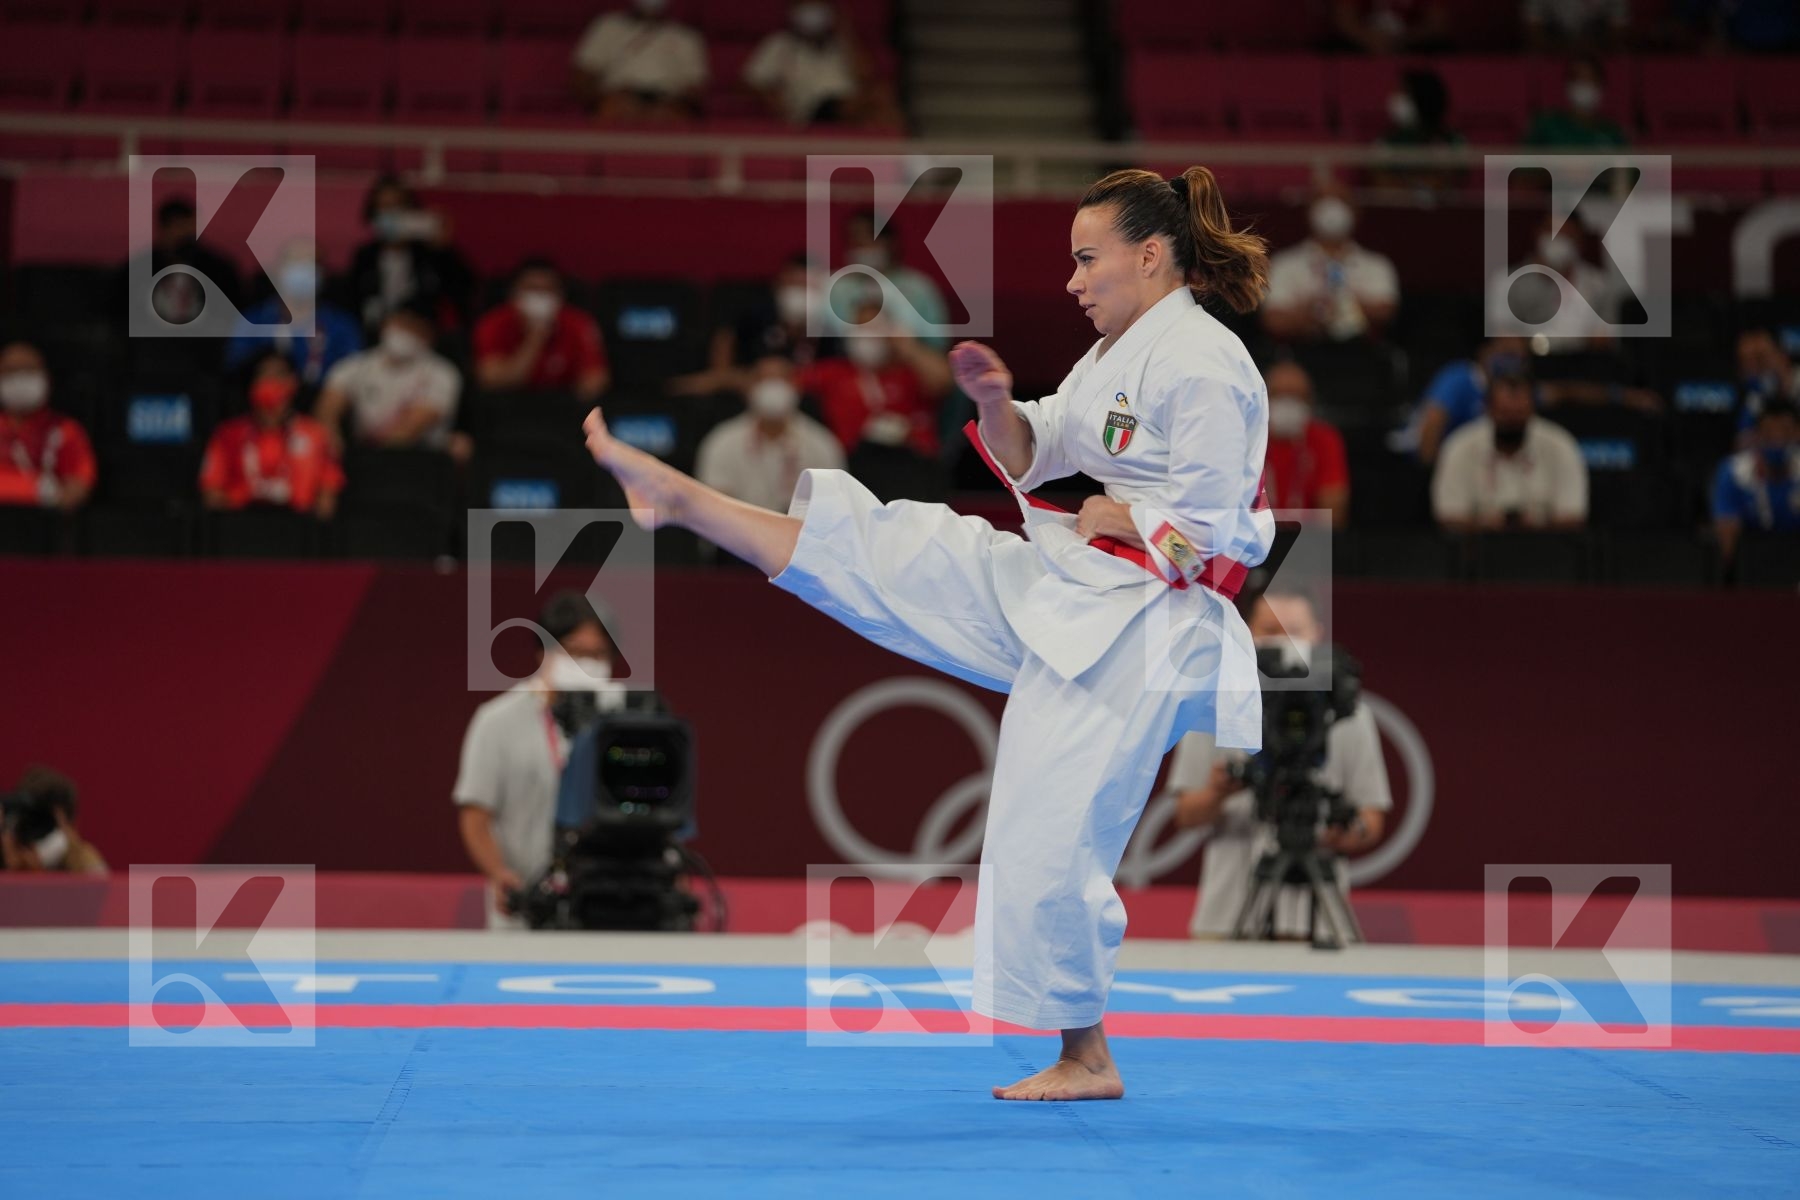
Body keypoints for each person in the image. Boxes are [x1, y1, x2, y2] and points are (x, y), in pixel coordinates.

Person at [582, 164, 1275, 1101]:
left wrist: (1125, 522)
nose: (1071, 282)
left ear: (1150, 256)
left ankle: (1087, 1056)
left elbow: (1221, 531)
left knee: (1046, 844)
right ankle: (685, 500)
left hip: (1144, 626)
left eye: (1086, 259)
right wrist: (995, 405)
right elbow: (1042, 446)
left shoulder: (1204, 360)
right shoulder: (1117, 350)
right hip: (1075, 583)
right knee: (898, 550)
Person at [1167, 592, 1390, 939]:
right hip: (1226, 919)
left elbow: (1372, 819)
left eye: (1293, 631)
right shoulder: (1214, 706)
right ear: (1246, 633)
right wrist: (1216, 793)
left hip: (1318, 926)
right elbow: (1185, 815)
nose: (1282, 644)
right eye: (1269, 630)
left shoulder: (1350, 715)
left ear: (1317, 635)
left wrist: (1342, 832)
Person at [453, 590, 621, 930]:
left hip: (609, 910)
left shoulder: (624, 717)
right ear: (544, 652)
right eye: (575, 652)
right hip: (527, 910)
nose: (588, 663)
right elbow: (475, 815)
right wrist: (498, 873)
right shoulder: (497, 720)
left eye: (598, 654)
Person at [1432, 362, 1588, 532]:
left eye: (1519, 413)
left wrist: (1533, 529)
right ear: (1488, 408)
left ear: (1532, 409)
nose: (1512, 421)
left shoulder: (1560, 445)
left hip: (1546, 551)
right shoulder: (1460, 446)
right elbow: (1449, 517)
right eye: (1504, 413)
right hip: (1478, 552)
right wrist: (1487, 528)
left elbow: (1573, 517)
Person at [314, 304, 470, 463]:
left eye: (413, 326)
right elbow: (328, 408)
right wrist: (331, 437)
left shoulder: (442, 372)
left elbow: (410, 429)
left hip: (420, 457)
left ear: (428, 335)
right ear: (385, 324)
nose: (404, 331)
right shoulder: (356, 365)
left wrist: (371, 460)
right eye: (400, 323)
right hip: (363, 453)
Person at [695, 355, 845, 516]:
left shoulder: (821, 445)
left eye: (781, 379)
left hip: (800, 537)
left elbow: (833, 511)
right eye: (764, 379)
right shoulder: (722, 442)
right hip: (738, 537)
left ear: (797, 385)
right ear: (749, 387)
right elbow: (714, 508)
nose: (773, 387)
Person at [199, 353, 344, 519]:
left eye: (279, 375)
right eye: (265, 376)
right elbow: (211, 494)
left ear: (293, 383)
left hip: (299, 530)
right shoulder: (228, 435)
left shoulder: (316, 435)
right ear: (252, 385)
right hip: (241, 527)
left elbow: (327, 501)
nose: (272, 383)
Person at [799, 302, 951, 459]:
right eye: (860, 328)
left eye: (873, 328)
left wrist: (908, 347)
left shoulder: (909, 373)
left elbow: (944, 382)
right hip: (855, 465)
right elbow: (788, 381)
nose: (867, 335)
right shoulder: (834, 373)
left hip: (911, 463)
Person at [669, 253, 828, 397]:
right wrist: (726, 376)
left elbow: (834, 372)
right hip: (748, 384)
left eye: (805, 286)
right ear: (778, 283)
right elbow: (725, 344)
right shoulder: (757, 314)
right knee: (693, 385)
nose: (799, 292)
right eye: (793, 283)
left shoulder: (829, 326)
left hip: (801, 388)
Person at [1260, 182, 1399, 345]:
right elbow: (1274, 320)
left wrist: (1345, 304)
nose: (1332, 208)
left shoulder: (1377, 265)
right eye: (1322, 200)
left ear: (1356, 211)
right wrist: (1312, 313)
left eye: (1341, 200)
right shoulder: (1284, 264)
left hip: (1361, 353)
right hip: (1303, 352)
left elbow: (1386, 311)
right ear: (1309, 210)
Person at [347, 176, 475, 340]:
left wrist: (445, 250)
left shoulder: (429, 255)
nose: (393, 213)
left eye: (398, 205)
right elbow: (352, 303)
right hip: (374, 339)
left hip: (422, 338)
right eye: (385, 207)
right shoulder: (365, 258)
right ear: (374, 215)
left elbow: (465, 291)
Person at [224, 238, 364, 388]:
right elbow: (236, 371)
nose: (302, 271)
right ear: (278, 270)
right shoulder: (252, 322)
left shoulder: (343, 327)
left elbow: (353, 377)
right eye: (295, 263)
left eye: (310, 264)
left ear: (322, 274)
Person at [744, 0, 900, 129]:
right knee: (872, 104)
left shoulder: (842, 45)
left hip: (848, 107)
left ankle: (898, 155)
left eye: (819, 7)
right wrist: (770, 96)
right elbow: (748, 83)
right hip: (810, 111)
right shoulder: (779, 44)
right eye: (806, 7)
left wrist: (846, 32)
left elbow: (866, 77)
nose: (813, 14)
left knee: (881, 101)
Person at [473, 259, 609, 401]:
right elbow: (491, 381)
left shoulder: (579, 323)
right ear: (513, 294)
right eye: (532, 289)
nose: (540, 296)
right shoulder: (493, 324)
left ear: (560, 295)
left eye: (547, 289)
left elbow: (596, 379)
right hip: (508, 408)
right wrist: (535, 339)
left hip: (562, 408)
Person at [571, 0, 708, 121]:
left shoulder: (687, 37)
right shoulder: (607, 27)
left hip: (667, 103)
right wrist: (603, 99)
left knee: (674, 119)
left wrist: (670, 105)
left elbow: (695, 88)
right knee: (611, 111)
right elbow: (583, 77)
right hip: (618, 98)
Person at [122, 196, 242, 332]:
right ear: (163, 230)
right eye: (179, 228)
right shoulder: (138, 270)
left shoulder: (219, 269)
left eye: (192, 230)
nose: (187, 238)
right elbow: (121, 313)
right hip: (151, 341)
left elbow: (233, 314)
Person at [0, 342, 96, 511]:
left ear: (46, 378)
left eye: (29, 371)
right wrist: (27, 490)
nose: (20, 380)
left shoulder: (65, 430)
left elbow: (79, 485)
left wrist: (58, 498)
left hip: (43, 527)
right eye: (11, 372)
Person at [1406, 336, 1528, 465]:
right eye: (1507, 354)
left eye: (1518, 358)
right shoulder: (1460, 379)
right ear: (1485, 351)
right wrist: (1435, 471)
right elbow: (1431, 425)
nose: (1511, 363)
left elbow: (1545, 394)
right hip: (1434, 464)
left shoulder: (1517, 388)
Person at [837, 211, 951, 346]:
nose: (860, 247)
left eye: (867, 240)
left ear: (889, 243)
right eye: (855, 241)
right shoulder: (840, 288)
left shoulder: (918, 287)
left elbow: (939, 343)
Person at [1712, 398, 1800, 567]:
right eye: (1769, 432)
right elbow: (1727, 547)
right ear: (1757, 434)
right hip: (1752, 571)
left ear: (1797, 432)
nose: (1777, 439)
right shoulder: (1734, 472)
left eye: (1785, 431)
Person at [1260, 361, 1350, 527]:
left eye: (1295, 396)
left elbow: (1334, 512)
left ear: (1309, 401)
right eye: (1278, 395)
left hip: (1309, 542)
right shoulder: (1248, 438)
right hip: (1253, 543)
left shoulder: (1324, 438)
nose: (1286, 404)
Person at [0, 766, 107, 875]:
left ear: (70, 825)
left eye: (45, 823)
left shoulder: (81, 859)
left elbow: (98, 878)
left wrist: (37, 876)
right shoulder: (8, 848)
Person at [1525, 57, 1630, 150]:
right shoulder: (1547, 126)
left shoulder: (1612, 132)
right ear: (1568, 85)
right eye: (1579, 78)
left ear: (1601, 85)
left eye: (1590, 79)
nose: (1584, 84)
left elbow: (1626, 169)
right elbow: (1523, 166)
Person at [1735, 327, 1800, 437]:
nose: (1753, 368)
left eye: (1760, 359)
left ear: (1782, 355)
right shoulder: (1758, 392)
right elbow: (1743, 437)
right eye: (1746, 361)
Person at [1330, 0, 1451, 53]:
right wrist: (1369, 39)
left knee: (1442, 47)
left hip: (1409, 42)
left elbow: (1438, 24)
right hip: (1365, 42)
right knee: (1333, 49)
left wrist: (1404, 39)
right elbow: (1344, 18)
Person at [1524, 0, 1632, 53]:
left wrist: (1596, 48)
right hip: (1553, 50)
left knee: (1622, 54)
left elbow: (1619, 30)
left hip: (1598, 50)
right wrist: (1557, 48)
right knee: (1531, 54)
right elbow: (1533, 28)